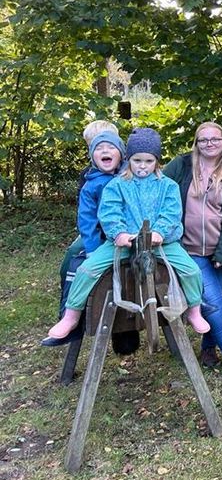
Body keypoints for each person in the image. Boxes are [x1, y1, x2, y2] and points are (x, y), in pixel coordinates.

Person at [45, 128, 209, 341]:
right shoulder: (116, 185)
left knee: (191, 270)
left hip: (162, 243)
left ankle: (195, 310)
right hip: (124, 243)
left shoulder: (167, 186)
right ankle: (71, 315)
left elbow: (171, 212)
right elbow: (109, 212)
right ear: (128, 159)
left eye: (148, 161)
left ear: (157, 162)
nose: (142, 166)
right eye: (137, 160)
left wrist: (159, 232)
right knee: (86, 270)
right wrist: (118, 233)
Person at [163, 122, 222, 379]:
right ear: (196, 143)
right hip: (188, 250)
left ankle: (209, 348)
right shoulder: (182, 165)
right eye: (203, 140)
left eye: (215, 139)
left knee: (219, 301)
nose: (209, 144)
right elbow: (158, 188)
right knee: (212, 302)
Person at [43, 130, 126, 346]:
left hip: (128, 237)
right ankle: (70, 320)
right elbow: (87, 221)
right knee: (76, 265)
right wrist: (92, 249)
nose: (105, 151)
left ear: (122, 154)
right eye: (98, 148)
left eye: (110, 147)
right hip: (100, 238)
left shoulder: (131, 175)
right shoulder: (92, 183)